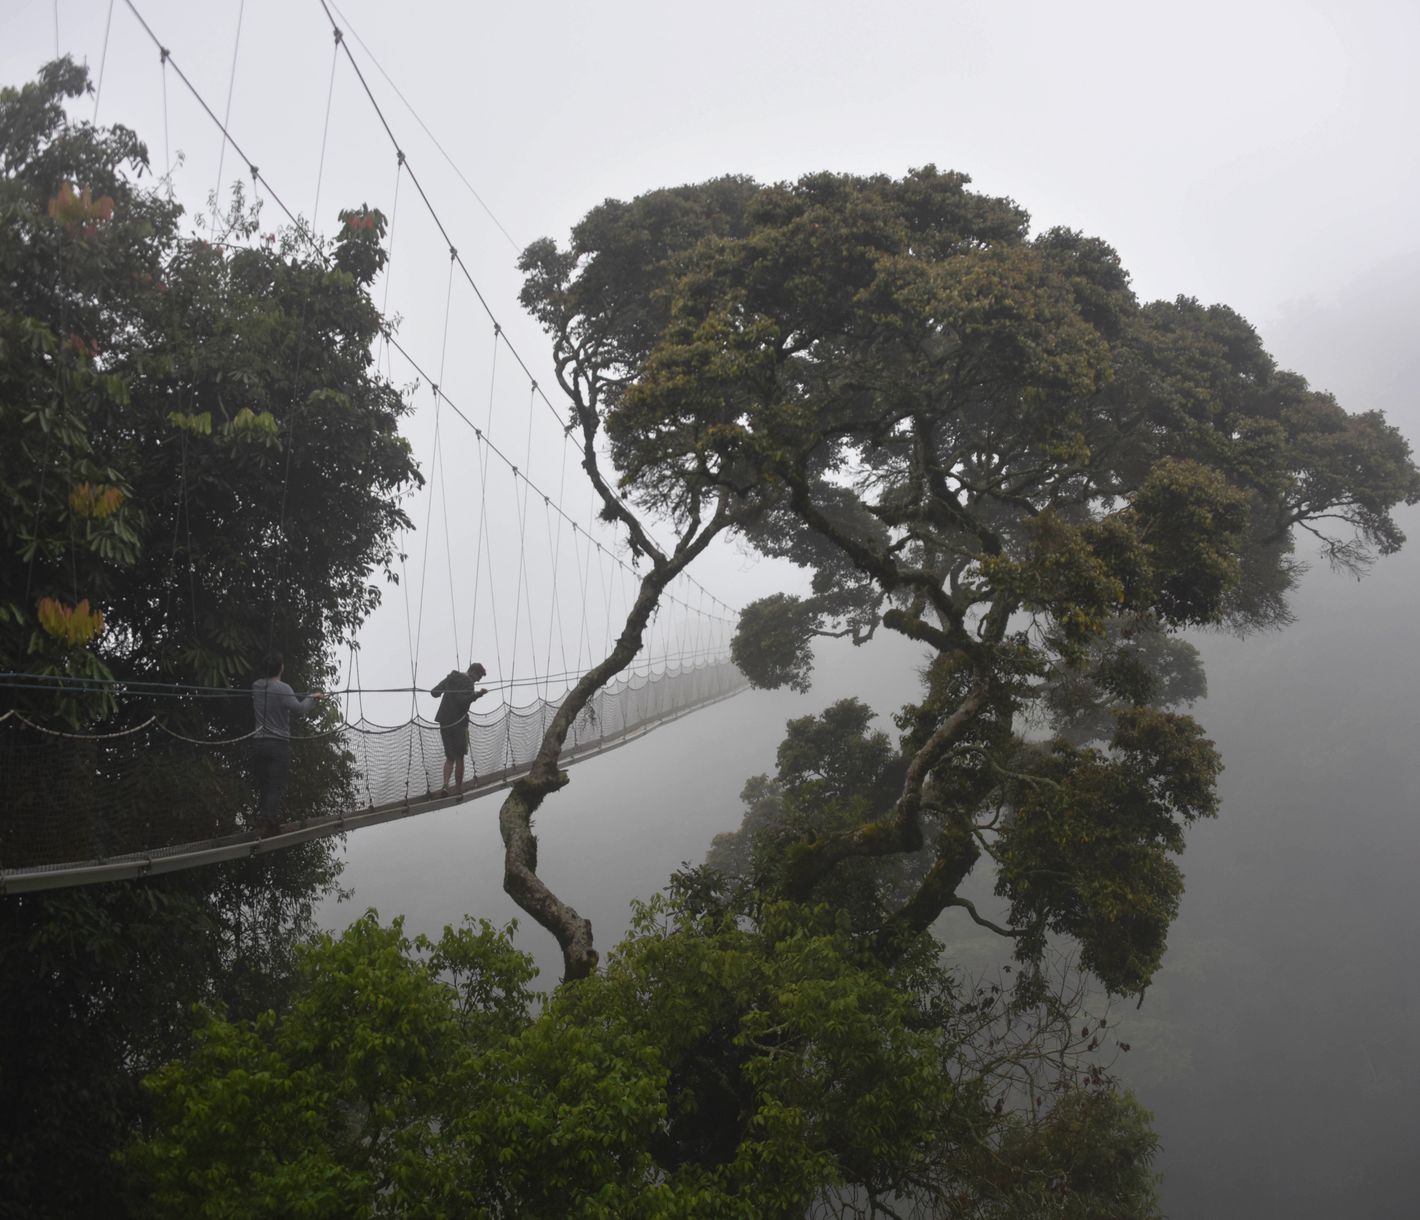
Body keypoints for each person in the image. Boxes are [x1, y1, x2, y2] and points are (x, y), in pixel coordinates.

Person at [250, 652, 324, 836]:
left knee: (264, 785)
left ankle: (263, 822)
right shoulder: (284, 689)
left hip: (258, 743)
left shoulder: (256, 686)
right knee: (275, 786)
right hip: (278, 745)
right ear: (281, 667)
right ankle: (268, 824)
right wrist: (313, 697)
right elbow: (300, 709)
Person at [431, 661, 487, 797]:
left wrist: (448, 686)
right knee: (459, 756)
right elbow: (462, 701)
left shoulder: (452, 677)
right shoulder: (468, 683)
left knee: (450, 757)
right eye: (479, 676)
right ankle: (458, 790)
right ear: (473, 672)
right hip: (458, 723)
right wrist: (478, 695)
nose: (478, 680)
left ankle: (445, 786)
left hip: (444, 721)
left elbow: (434, 692)